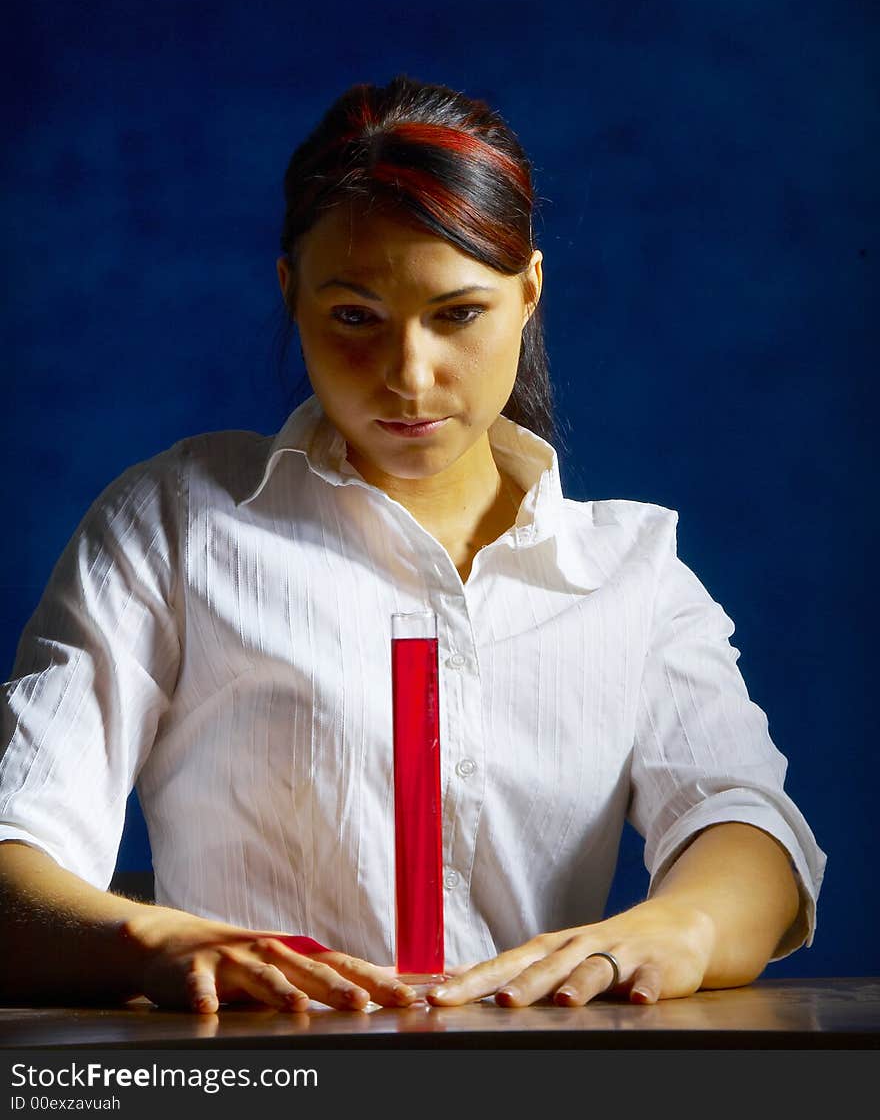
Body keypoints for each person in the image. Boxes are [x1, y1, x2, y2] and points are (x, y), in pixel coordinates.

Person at [0, 75, 826, 1014]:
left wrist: (676, 925)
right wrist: (163, 939)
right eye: (354, 316)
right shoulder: (177, 525)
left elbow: (746, 822)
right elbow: (13, 846)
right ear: (292, 293)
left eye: (458, 313)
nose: (408, 374)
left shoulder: (628, 573)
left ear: (529, 293)